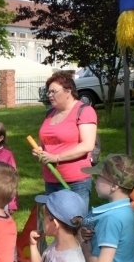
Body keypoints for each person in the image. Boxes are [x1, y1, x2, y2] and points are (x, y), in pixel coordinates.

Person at [33, 72, 97, 209]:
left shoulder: (84, 111)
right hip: (51, 179)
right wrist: (39, 150)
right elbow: (44, 140)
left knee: (74, 223)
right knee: (54, 225)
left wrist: (56, 157)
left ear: (68, 91)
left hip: (76, 181)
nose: (49, 95)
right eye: (48, 92)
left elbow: (87, 145)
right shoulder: (50, 113)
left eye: (53, 91)